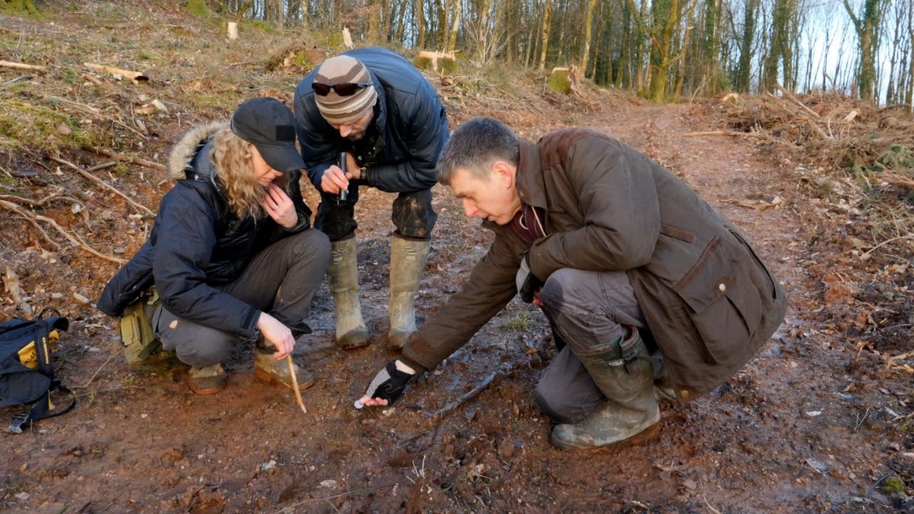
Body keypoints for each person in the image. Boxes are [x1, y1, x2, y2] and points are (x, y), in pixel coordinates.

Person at [358, 117, 787, 450]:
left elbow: (627, 243)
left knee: (566, 287)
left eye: (470, 196)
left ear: (503, 174)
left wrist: (541, 259)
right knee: (560, 401)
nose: (470, 212)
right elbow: (478, 296)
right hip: (646, 299)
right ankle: (654, 362)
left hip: (699, 293)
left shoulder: (581, 153)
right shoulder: (516, 221)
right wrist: (408, 365)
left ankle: (636, 409)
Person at [97, 97, 331, 395]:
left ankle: (273, 354)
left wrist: (292, 222)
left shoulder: (278, 173)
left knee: (314, 243)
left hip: (237, 278)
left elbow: (294, 240)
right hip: (186, 297)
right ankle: (204, 360)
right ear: (243, 150)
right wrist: (258, 319)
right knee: (209, 345)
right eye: (271, 158)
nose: (278, 168)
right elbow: (178, 288)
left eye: (282, 157)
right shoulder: (192, 197)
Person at [292, 47, 449, 351]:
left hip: (402, 148)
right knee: (334, 201)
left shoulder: (416, 99)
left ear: (372, 100)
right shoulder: (307, 101)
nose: (343, 130)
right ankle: (347, 310)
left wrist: (362, 174)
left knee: (415, 206)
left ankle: (402, 312)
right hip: (346, 158)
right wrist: (324, 173)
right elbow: (314, 161)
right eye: (334, 122)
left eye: (352, 119)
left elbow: (430, 169)